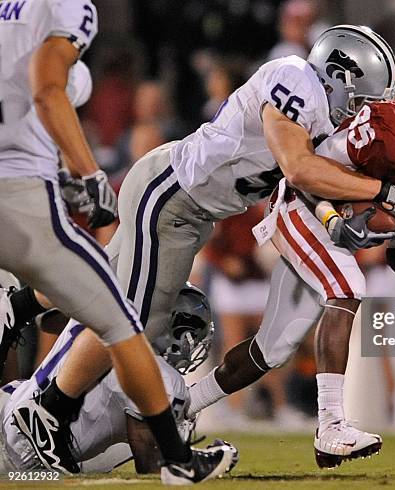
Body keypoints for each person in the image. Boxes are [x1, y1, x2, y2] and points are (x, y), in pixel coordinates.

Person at [1, 23, 395, 474]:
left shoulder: (314, 105)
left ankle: (18, 305)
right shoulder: (296, 80)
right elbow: (298, 167)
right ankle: (49, 413)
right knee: (132, 320)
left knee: (107, 288)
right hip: (173, 198)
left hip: (187, 207)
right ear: (340, 73)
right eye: (363, 100)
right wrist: (381, 189)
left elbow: (310, 178)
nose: (361, 112)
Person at [188, 92, 395, 467]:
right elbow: (308, 169)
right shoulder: (393, 130)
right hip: (301, 202)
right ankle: (330, 425)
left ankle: (182, 404)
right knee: (346, 288)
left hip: (337, 225)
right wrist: (331, 218)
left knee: (272, 350)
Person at [0, 1, 231, 482]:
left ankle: (15, 308)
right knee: (124, 319)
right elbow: (47, 90)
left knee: (104, 300)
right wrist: (86, 172)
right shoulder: (67, 12)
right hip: (15, 187)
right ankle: (178, 462)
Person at [0, 284, 237, 477]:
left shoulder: (105, 312)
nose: (191, 345)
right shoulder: (163, 376)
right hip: (31, 455)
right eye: (190, 335)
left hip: (9, 407)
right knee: (168, 426)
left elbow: (48, 321)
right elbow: (150, 466)